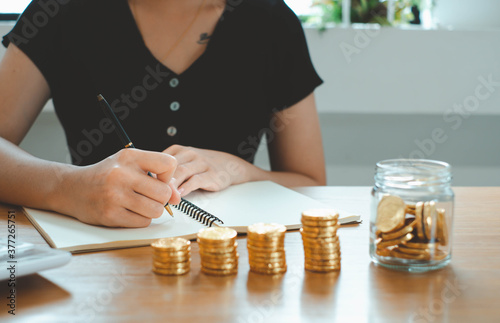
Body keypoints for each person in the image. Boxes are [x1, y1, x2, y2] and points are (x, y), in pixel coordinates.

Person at [0, 0, 326, 228]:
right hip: (93, 264)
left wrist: (238, 169)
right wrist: (70, 188)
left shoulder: (271, 21)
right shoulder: (58, 10)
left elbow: (311, 183)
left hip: (234, 272)